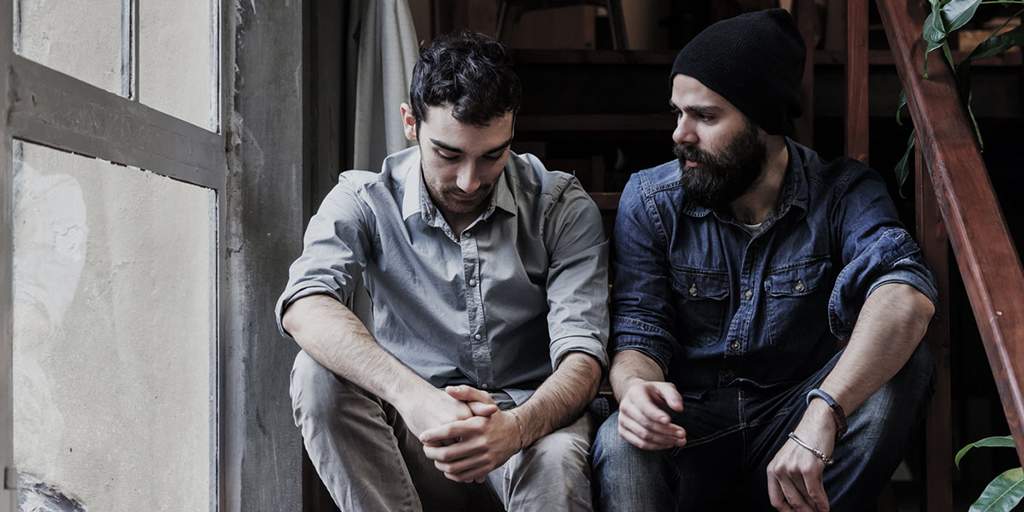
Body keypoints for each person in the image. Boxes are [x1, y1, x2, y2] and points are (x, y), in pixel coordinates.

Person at [592, 9, 937, 512]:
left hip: (796, 425)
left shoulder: (842, 194)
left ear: (765, 122)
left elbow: (905, 298)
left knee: (907, 363)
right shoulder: (651, 199)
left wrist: (824, 412)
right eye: (677, 112)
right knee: (620, 442)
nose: (679, 135)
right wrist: (635, 389)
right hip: (693, 429)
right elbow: (640, 331)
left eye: (705, 116)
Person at [276, 31, 607, 512]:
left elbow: (585, 359)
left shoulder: (560, 204)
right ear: (411, 123)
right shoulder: (365, 198)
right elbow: (305, 303)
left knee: (555, 460)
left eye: (493, 154)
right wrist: (415, 398)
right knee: (315, 374)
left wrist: (513, 429)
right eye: (449, 154)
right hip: (416, 430)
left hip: (531, 428)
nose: (470, 181)